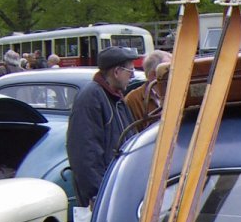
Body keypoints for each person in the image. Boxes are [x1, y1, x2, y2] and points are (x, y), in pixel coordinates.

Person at [67, 45, 137, 207]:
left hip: (116, 186)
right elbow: (85, 152)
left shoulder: (114, 96)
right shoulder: (92, 97)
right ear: (117, 72)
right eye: (130, 71)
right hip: (103, 193)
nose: (131, 76)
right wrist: (97, 194)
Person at [125, 49, 171, 131]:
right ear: (153, 75)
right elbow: (133, 136)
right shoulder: (133, 100)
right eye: (168, 71)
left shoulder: (179, 93)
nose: (175, 74)